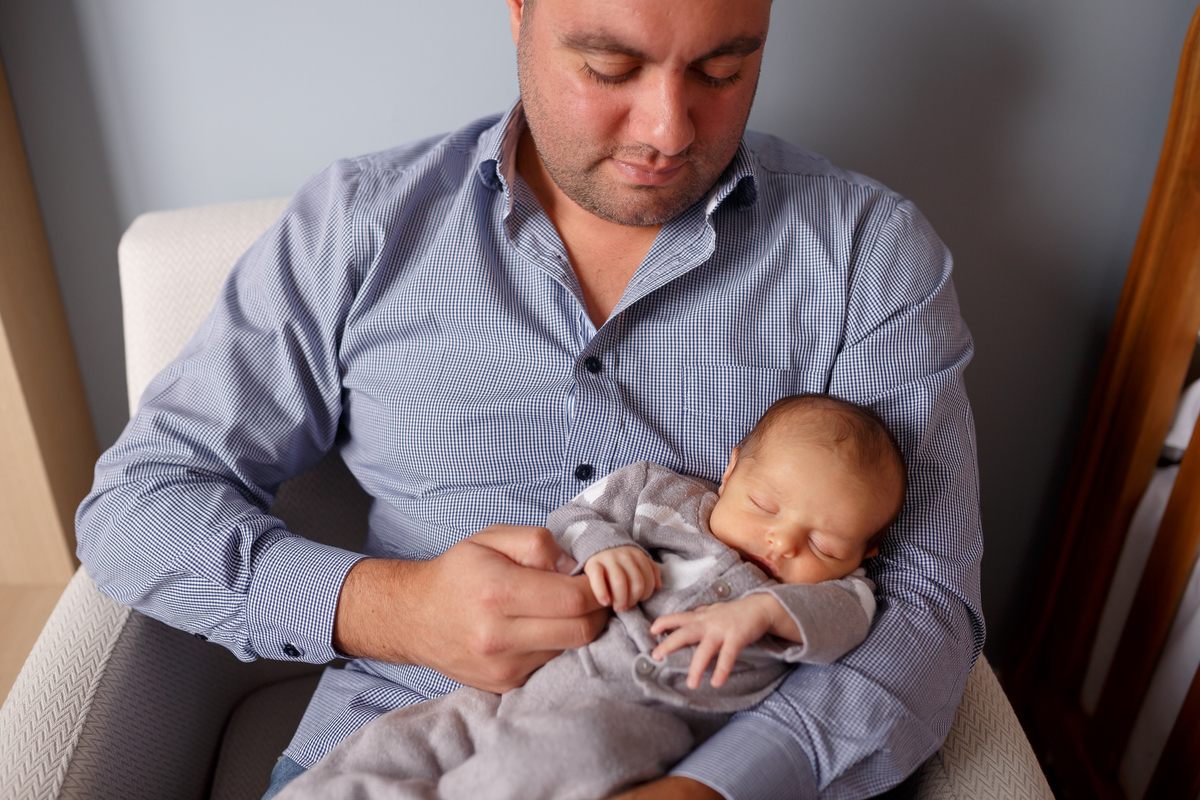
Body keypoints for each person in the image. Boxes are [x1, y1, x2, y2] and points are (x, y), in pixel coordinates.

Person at [75, 1, 985, 798]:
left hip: (701, 745)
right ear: (519, 12)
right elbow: (137, 504)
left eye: (722, 70)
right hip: (401, 743)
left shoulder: (869, 257)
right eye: (609, 66)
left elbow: (926, 605)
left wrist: (709, 790)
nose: (668, 129)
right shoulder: (358, 225)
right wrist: (394, 609)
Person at [276, 394, 906, 800]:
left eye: (823, 544)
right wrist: (606, 547)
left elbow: (850, 620)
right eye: (765, 504)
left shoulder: (837, 592)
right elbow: (575, 517)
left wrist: (767, 609)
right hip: (508, 698)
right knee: (398, 743)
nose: (782, 542)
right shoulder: (660, 496)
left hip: (637, 724)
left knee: (565, 757)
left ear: (865, 552)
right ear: (732, 467)